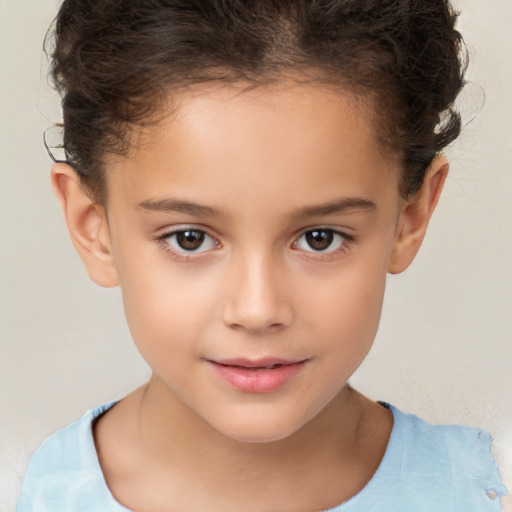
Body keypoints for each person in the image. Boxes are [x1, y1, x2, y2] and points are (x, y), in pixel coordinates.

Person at [16, 0, 508, 510]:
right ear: (93, 227)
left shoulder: (487, 489)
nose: (257, 310)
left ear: (411, 218)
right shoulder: (34, 491)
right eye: (189, 238)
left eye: (320, 238)